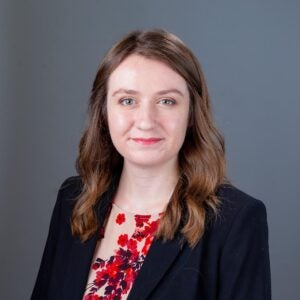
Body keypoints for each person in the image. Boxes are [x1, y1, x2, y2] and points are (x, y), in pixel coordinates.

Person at [31, 29, 271, 300]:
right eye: (127, 101)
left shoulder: (236, 221)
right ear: (104, 112)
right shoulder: (74, 200)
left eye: (167, 101)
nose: (145, 121)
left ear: (192, 113)